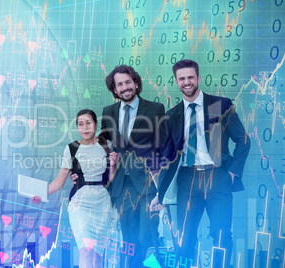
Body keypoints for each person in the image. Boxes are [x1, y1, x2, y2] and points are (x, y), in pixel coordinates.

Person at [151, 59, 250, 268]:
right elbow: (168, 158)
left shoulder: (219, 106)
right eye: (181, 79)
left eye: (190, 77)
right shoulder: (172, 115)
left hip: (219, 177)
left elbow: (243, 140)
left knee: (222, 235)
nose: (186, 82)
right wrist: (159, 193)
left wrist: (232, 173)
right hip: (188, 180)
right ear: (176, 82)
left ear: (198, 78)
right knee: (184, 240)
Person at [73, 65, 166, 267]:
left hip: (148, 185)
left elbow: (163, 147)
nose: (124, 87)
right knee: (129, 241)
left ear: (136, 83)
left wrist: (161, 186)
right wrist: (80, 174)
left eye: (128, 82)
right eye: (119, 84)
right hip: (122, 186)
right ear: (114, 89)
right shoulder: (109, 112)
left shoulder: (155, 109)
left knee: (147, 236)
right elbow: (100, 146)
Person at [32, 109, 118, 268]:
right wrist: (40, 194)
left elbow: (111, 179)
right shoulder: (71, 148)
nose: (85, 128)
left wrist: (113, 166)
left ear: (96, 125)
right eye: (80, 124)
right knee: (85, 250)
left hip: (102, 202)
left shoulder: (105, 146)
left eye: (88, 123)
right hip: (80, 202)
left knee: (98, 254)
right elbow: (59, 182)